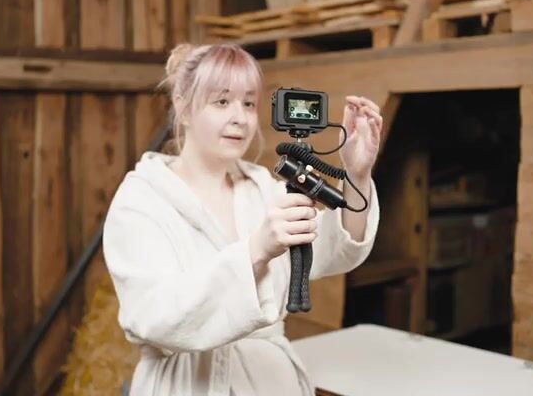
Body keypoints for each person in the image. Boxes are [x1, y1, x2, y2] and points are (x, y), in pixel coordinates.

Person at [102, 43, 382, 395]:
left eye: (248, 104)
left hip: (269, 382)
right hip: (185, 384)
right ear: (182, 107)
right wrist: (256, 250)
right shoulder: (142, 200)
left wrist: (356, 173)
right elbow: (154, 315)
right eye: (222, 102)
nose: (240, 118)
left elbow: (334, 247)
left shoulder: (263, 189)